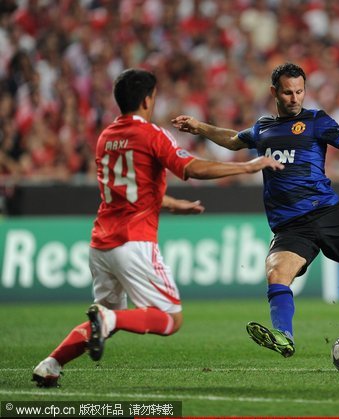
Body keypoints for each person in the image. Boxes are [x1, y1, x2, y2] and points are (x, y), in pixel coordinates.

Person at [32, 68, 283, 387]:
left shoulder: (106, 137)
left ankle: (51, 364)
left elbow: (131, 188)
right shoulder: (152, 134)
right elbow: (193, 168)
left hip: (100, 245)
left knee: (107, 318)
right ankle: (105, 319)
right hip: (134, 242)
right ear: (148, 99)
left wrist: (173, 204)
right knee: (169, 319)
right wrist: (249, 165)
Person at [172, 62, 339, 357]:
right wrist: (200, 127)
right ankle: (284, 336)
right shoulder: (263, 127)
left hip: (327, 212)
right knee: (276, 273)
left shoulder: (317, 121)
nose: (295, 98)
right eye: (287, 93)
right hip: (290, 226)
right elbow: (233, 140)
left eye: (299, 91)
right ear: (274, 92)